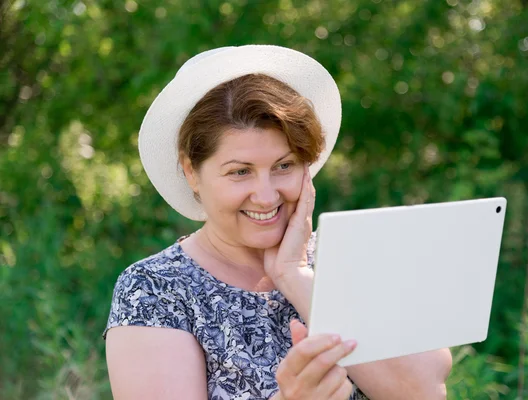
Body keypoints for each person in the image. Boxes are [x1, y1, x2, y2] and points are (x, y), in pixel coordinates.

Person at [104, 45, 452, 400]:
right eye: (240, 172)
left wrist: (295, 274)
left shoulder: (352, 260)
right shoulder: (155, 289)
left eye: (284, 166)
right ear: (192, 172)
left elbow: (425, 392)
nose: (267, 196)